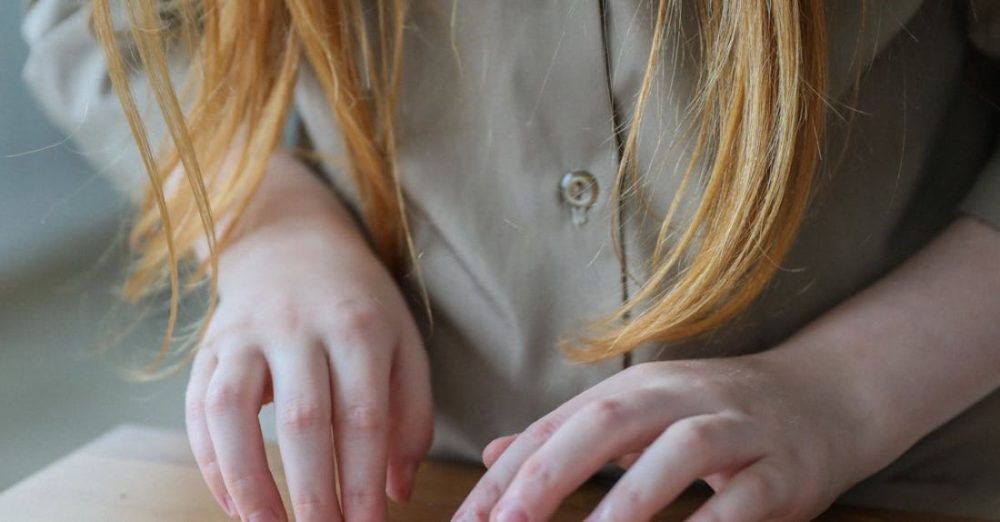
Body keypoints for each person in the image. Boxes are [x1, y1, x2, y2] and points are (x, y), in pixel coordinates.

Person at [21, 0, 1000, 521]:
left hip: (915, 474)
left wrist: (845, 392)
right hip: (421, 478)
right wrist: (273, 227)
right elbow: (105, 26)